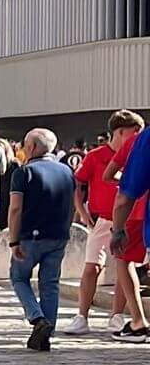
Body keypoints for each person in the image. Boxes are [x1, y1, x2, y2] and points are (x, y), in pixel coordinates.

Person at [68, 111, 142, 334]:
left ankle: (117, 315)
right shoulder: (95, 156)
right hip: (102, 220)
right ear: (120, 132)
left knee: (125, 267)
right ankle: (82, 315)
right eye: (134, 132)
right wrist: (81, 210)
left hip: (129, 220)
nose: (137, 136)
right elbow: (78, 184)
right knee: (93, 266)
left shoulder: (136, 155)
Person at [5, 129, 75, 351]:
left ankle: (37, 318)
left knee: (19, 277)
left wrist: (13, 240)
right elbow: (73, 203)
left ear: (32, 148)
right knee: (50, 283)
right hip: (58, 235)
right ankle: (47, 330)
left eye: (25, 145)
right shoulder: (67, 171)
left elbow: (15, 208)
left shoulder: (24, 173)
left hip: (30, 236)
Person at [106, 119, 150, 341]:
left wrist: (117, 228)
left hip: (136, 214)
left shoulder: (140, 140)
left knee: (123, 260)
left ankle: (138, 319)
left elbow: (113, 179)